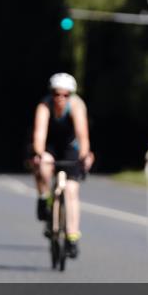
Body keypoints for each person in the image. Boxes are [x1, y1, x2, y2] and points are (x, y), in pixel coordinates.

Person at [31, 73, 93, 258]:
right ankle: (44, 198)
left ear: (70, 95)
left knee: (72, 191)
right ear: (52, 94)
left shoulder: (77, 106)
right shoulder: (44, 106)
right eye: (57, 94)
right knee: (42, 168)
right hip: (50, 146)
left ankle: (72, 236)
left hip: (70, 147)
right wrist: (40, 154)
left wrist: (84, 156)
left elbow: (82, 135)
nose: (61, 98)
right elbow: (39, 135)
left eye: (66, 95)